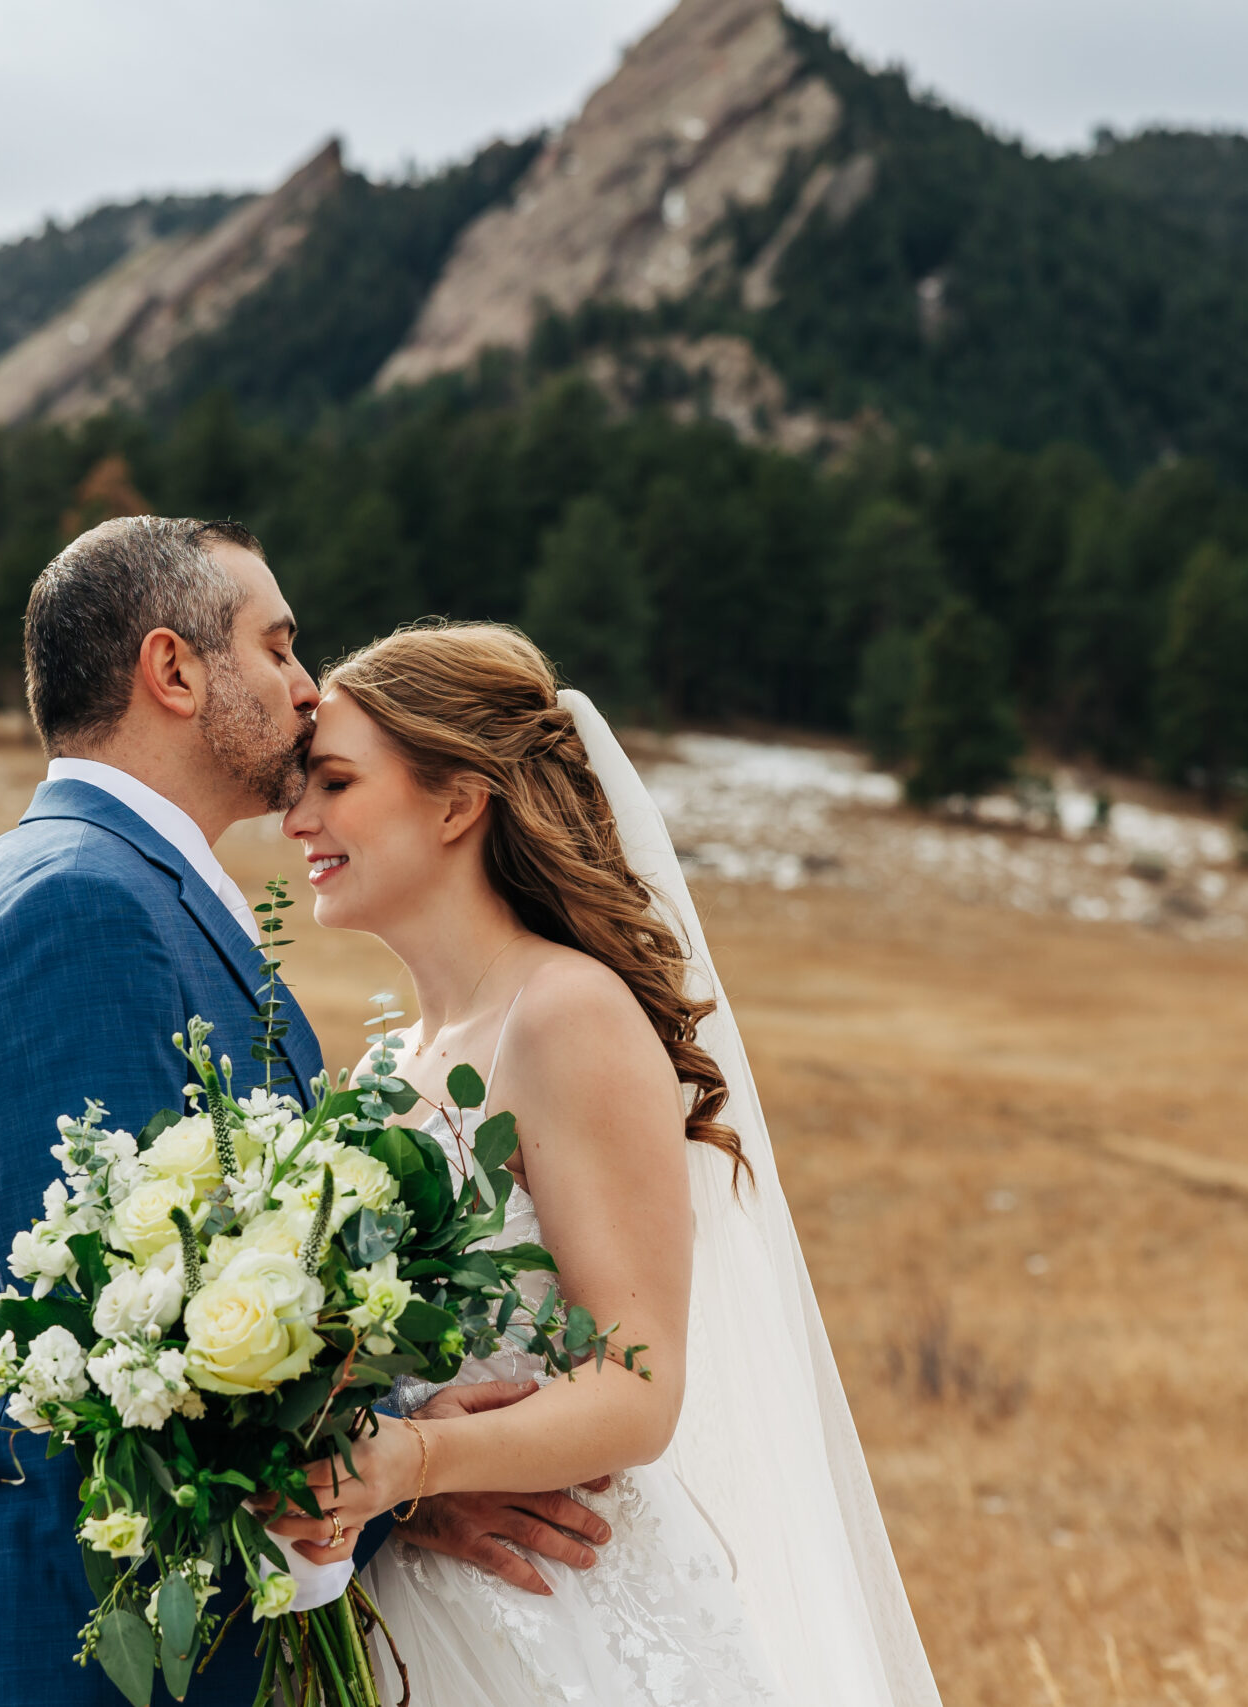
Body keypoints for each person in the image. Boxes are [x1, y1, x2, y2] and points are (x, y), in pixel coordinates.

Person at [0, 521, 617, 1707]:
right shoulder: (85, 907)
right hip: (69, 1641)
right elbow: (129, 1352)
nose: (310, 691)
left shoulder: (123, 889)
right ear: (174, 671)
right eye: (278, 646)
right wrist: (399, 1481)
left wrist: (398, 1453)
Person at [275, 622, 940, 1706]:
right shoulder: (391, 1060)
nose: (296, 818)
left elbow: (637, 1386)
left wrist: (411, 1463)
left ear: (456, 801)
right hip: (400, 1602)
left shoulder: (567, 1014)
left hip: (552, 1609)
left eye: (335, 783)